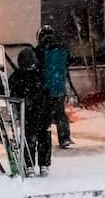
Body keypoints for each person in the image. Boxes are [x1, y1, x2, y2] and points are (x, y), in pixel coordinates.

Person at [8, 45, 51, 176]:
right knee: (43, 138)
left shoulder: (17, 76)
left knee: (28, 139)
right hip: (41, 112)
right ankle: (43, 164)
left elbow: (9, 92)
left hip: (26, 113)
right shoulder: (40, 74)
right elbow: (47, 93)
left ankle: (29, 165)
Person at [38, 25, 73, 148]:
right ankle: (64, 138)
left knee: (44, 113)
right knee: (60, 113)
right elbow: (68, 63)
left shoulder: (40, 50)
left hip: (45, 87)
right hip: (59, 86)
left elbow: (37, 66)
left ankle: (42, 137)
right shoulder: (62, 50)